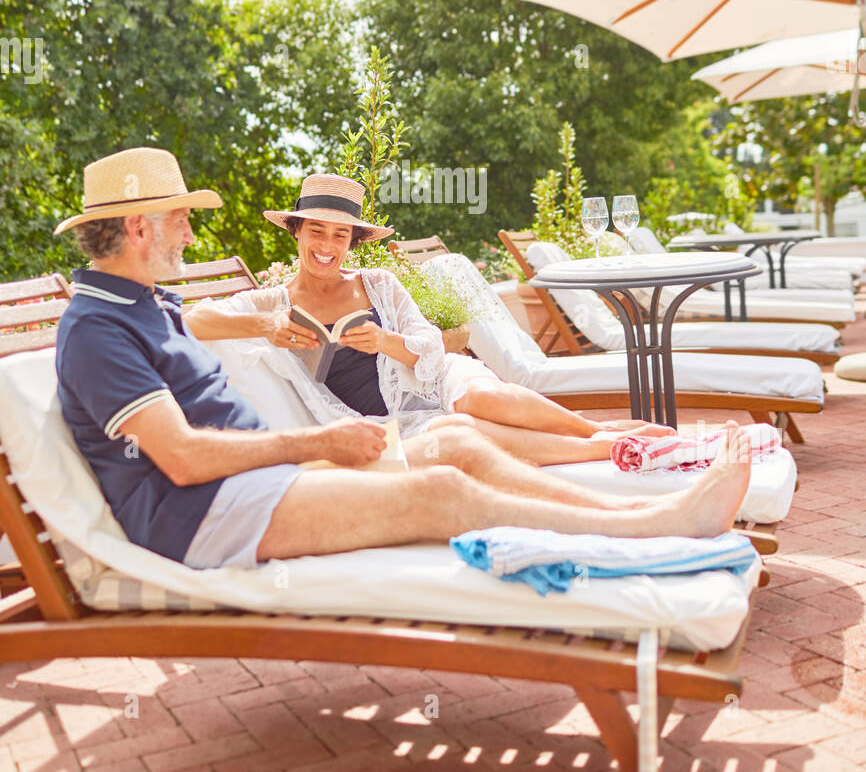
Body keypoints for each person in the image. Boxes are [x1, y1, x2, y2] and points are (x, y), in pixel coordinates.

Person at [54, 148, 750, 573]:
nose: (191, 229)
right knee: (439, 492)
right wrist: (316, 440)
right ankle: (652, 532)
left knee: (453, 442)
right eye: (180, 217)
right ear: (139, 225)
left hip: (260, 479)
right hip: (205, 515)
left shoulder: (148, 305)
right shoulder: (96, 329)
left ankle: (645, 509)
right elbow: (179, 458)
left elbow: (212, 323)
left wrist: (277, 348)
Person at [184, 172, 676, 467]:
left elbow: (431, 345)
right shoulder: (273, 302)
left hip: (433, 376)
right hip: (389, 417)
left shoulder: (377, 284)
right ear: (296, 232)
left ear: (353, 242)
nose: (327, 246)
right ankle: (608, 448)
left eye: (340, 235)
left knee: (478, 394)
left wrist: (384, 341)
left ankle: (592, 430)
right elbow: (195, 318)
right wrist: (264, 327)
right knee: (463, 427)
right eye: (317, 231)